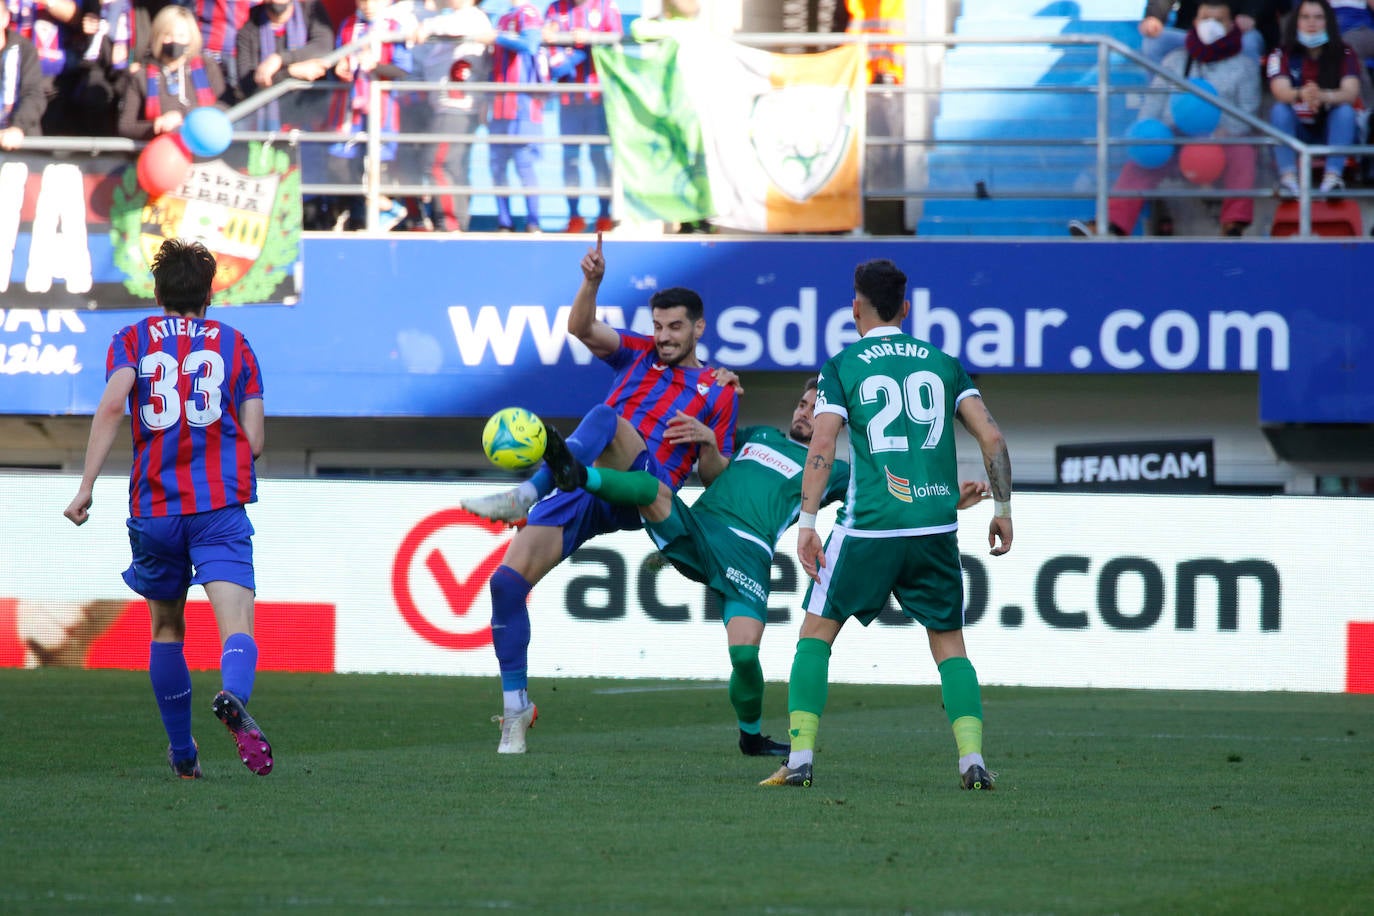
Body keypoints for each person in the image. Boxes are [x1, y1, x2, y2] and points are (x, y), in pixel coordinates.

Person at [540, 376, 999, 757]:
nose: (803, 412)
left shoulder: (836, 470)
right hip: (704, 529)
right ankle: (577, 477)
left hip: (751, 555)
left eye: (813, 407)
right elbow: (717, 472)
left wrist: (956, 496)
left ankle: (751, 737)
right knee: (650, 488)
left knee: (744, 654)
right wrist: (707, 444)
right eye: (801, 404)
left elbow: (886, 494)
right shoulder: (757, 436)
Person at [460, 232, 740, 754]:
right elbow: (580, 327)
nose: (663, 336)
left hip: (644, 486)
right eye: (657, 326)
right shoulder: (636, 353)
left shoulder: (720, 390)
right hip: (586, 481)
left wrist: (706, 444)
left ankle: (528, 492)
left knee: (606, 417)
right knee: (504, 584)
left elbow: (715, 476)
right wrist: (590, 282)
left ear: (699, 328)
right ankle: (516, 708)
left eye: (675, 327)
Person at [759, 258, 1013, 792]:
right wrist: (1002, 510)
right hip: (933, 528)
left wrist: (807, 523)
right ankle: (972, 760)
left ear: (856, 307)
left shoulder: (843, 365)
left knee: (815, 635)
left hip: (870, 526)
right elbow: (991, 437)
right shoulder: (943, 362)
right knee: (950, 644)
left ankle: (800, 757)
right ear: (907, 307)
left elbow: (823, 443)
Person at [62, 238, 273, 780]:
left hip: (154, 508)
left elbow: (113, 404)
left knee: (165, 631)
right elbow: (255, 438)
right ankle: (232, 696)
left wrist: (86, 486)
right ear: (210, 294)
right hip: (218, 504)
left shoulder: (131, 339)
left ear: (157, 293)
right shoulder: (236, 344)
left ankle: (183, 754)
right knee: (237, 626)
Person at [1070, 0, 1260, 237]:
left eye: (1218, 20)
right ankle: (1110, 226)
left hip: (1220, 142)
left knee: (1244, 151)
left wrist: (1226, 130)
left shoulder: (1244, 66)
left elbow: (1248, 112)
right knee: (1145, 155)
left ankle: (1233, 226)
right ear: (1194, 22)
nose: (1210, 25)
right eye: (1205, 19)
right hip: (1178, 139)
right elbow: (1153, 104)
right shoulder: (1175, 60)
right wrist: (1151, 132)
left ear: (1231, 25)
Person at [324, 0, 414, 230]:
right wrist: (340, 69)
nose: (368, 5)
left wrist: (375, 66)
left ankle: (388, 211)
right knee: (341, 165)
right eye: (363, 0)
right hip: (349, 112)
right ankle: (353, 216)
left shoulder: (394, 27)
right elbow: (337, 62)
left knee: (375, 167)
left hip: (381, 112)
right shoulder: (349, 25)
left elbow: (403, 69)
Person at [410, 0, 494, 232]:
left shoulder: (471, 16)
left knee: (438, 163)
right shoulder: (455, 17)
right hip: (447, 106)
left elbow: (454, 27)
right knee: (453, 166)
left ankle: (450, 223)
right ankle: (456, 222)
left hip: (456, 107)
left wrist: (426, 26)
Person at [1267, 0, 1363, 195]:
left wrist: (1324, 95)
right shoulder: (1281, 53)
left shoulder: (1345, 52)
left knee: (1345, 111)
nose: (1312, 23)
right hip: (1298, 130)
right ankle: (1288, 179)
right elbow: (1279, 90)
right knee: (1279, 110)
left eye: (1319, 17)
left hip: (1332, 129)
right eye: (1305, 17)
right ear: (1296, 21)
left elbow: (1351, 92)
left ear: (1328, 21)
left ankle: (1333, 178)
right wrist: (1303, 93)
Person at [543, 0, 621, 234]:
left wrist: (590, 37)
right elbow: (551, 54)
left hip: (598, 100)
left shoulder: (607, 6)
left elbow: (616, 40)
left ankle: (605, 216)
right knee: (571, 159)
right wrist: (572, 50)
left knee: (599, 159)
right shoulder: (554, 9)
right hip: (569, 101)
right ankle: (574, 216)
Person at [118, 4, 230, 140]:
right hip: (162, 150)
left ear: (191, 38)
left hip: (203, 149)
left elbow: (224, 108)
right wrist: (158, 125)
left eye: (181, 35)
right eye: (168, 35)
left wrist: (182, 115)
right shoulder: (141, 76)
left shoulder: (207, 66)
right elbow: (126, 126)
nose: (175, 40)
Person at [489, 0, 545, 231]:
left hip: (522, 106)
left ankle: (533, 223)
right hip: (500, 107)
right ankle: (505, 223)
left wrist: (496, 37)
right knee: (497, 166)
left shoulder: (529, 12)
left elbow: (530, 44)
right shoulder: (503, 16)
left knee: (524, 164)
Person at [1139, 0, 1267, 62]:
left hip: (1239, 32)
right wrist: (1154, 16)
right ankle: (1166, 101)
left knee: (1249, 43)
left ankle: (1243, 109)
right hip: (1191, 33)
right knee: (1155, 41)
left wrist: (1251, 13)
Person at [0, 1, 46, 150]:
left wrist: (17, 127)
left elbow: (34, 95)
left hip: (20, 143)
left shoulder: (25, 50)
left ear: (5, 18)